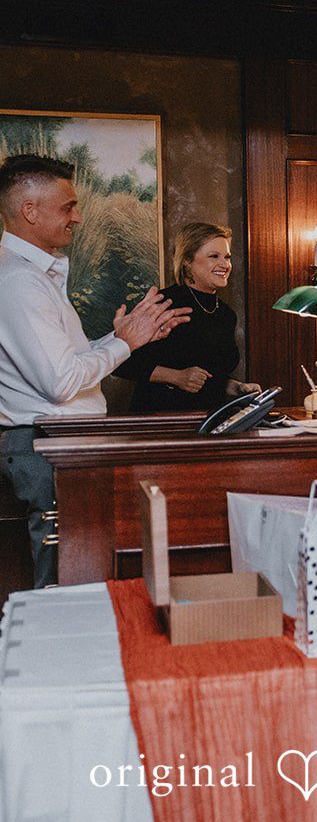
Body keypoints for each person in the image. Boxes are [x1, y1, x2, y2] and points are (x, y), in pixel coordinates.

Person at [0, 154, 188, 587]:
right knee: (62, 581)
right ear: (30, 211)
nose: (79, 217)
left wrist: (119, 337)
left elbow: (67, 364)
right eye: (68, 206)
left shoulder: (32, 278)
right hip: (45, 449)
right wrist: (126, 343)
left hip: (54, 447)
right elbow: (61, 383)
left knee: (75, 573)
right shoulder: (20, 282)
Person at [114, 221, 259, 414]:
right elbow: (119, 362)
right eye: (214, 256)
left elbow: (209, 376)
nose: (225, 264)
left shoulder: (226, 314)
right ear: (187, 261)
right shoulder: (164, 303)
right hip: (160, 423)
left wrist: (236, 387)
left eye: (227, 257)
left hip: (209, 422)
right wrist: (176, 377)